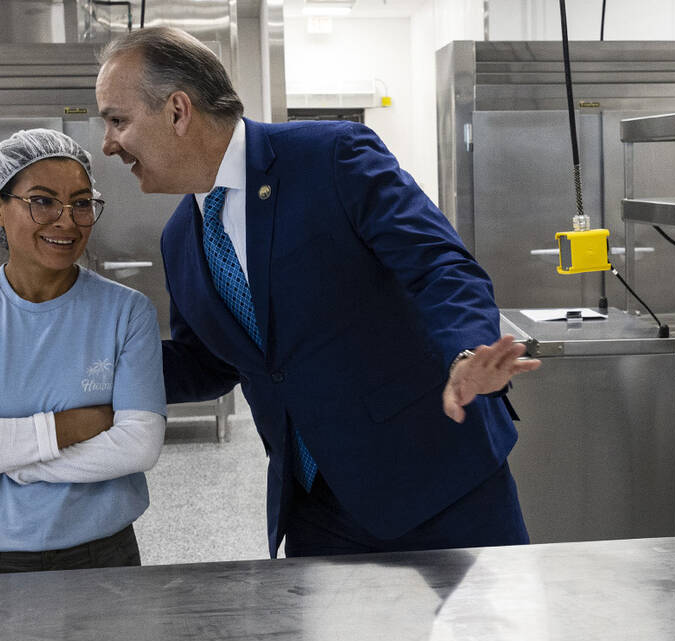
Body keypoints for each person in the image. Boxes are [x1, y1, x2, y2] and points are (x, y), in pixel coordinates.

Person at [95, 27, 540, 558]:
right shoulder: (180, 240)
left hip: (437, 477)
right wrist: (89, 370)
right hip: (315, 506)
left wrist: (464, 351)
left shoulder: (329, 157)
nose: (109, 143)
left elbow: (438, 263)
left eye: (118, 120)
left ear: (177, 110)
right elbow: (210, 364)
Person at [0, 128, 167, 576]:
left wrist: (8, 455)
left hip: (101, 556)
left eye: (82, 203)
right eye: (43, 201)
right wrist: (78, 424)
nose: (66, 220)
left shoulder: (126, 313)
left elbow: (138, 447)